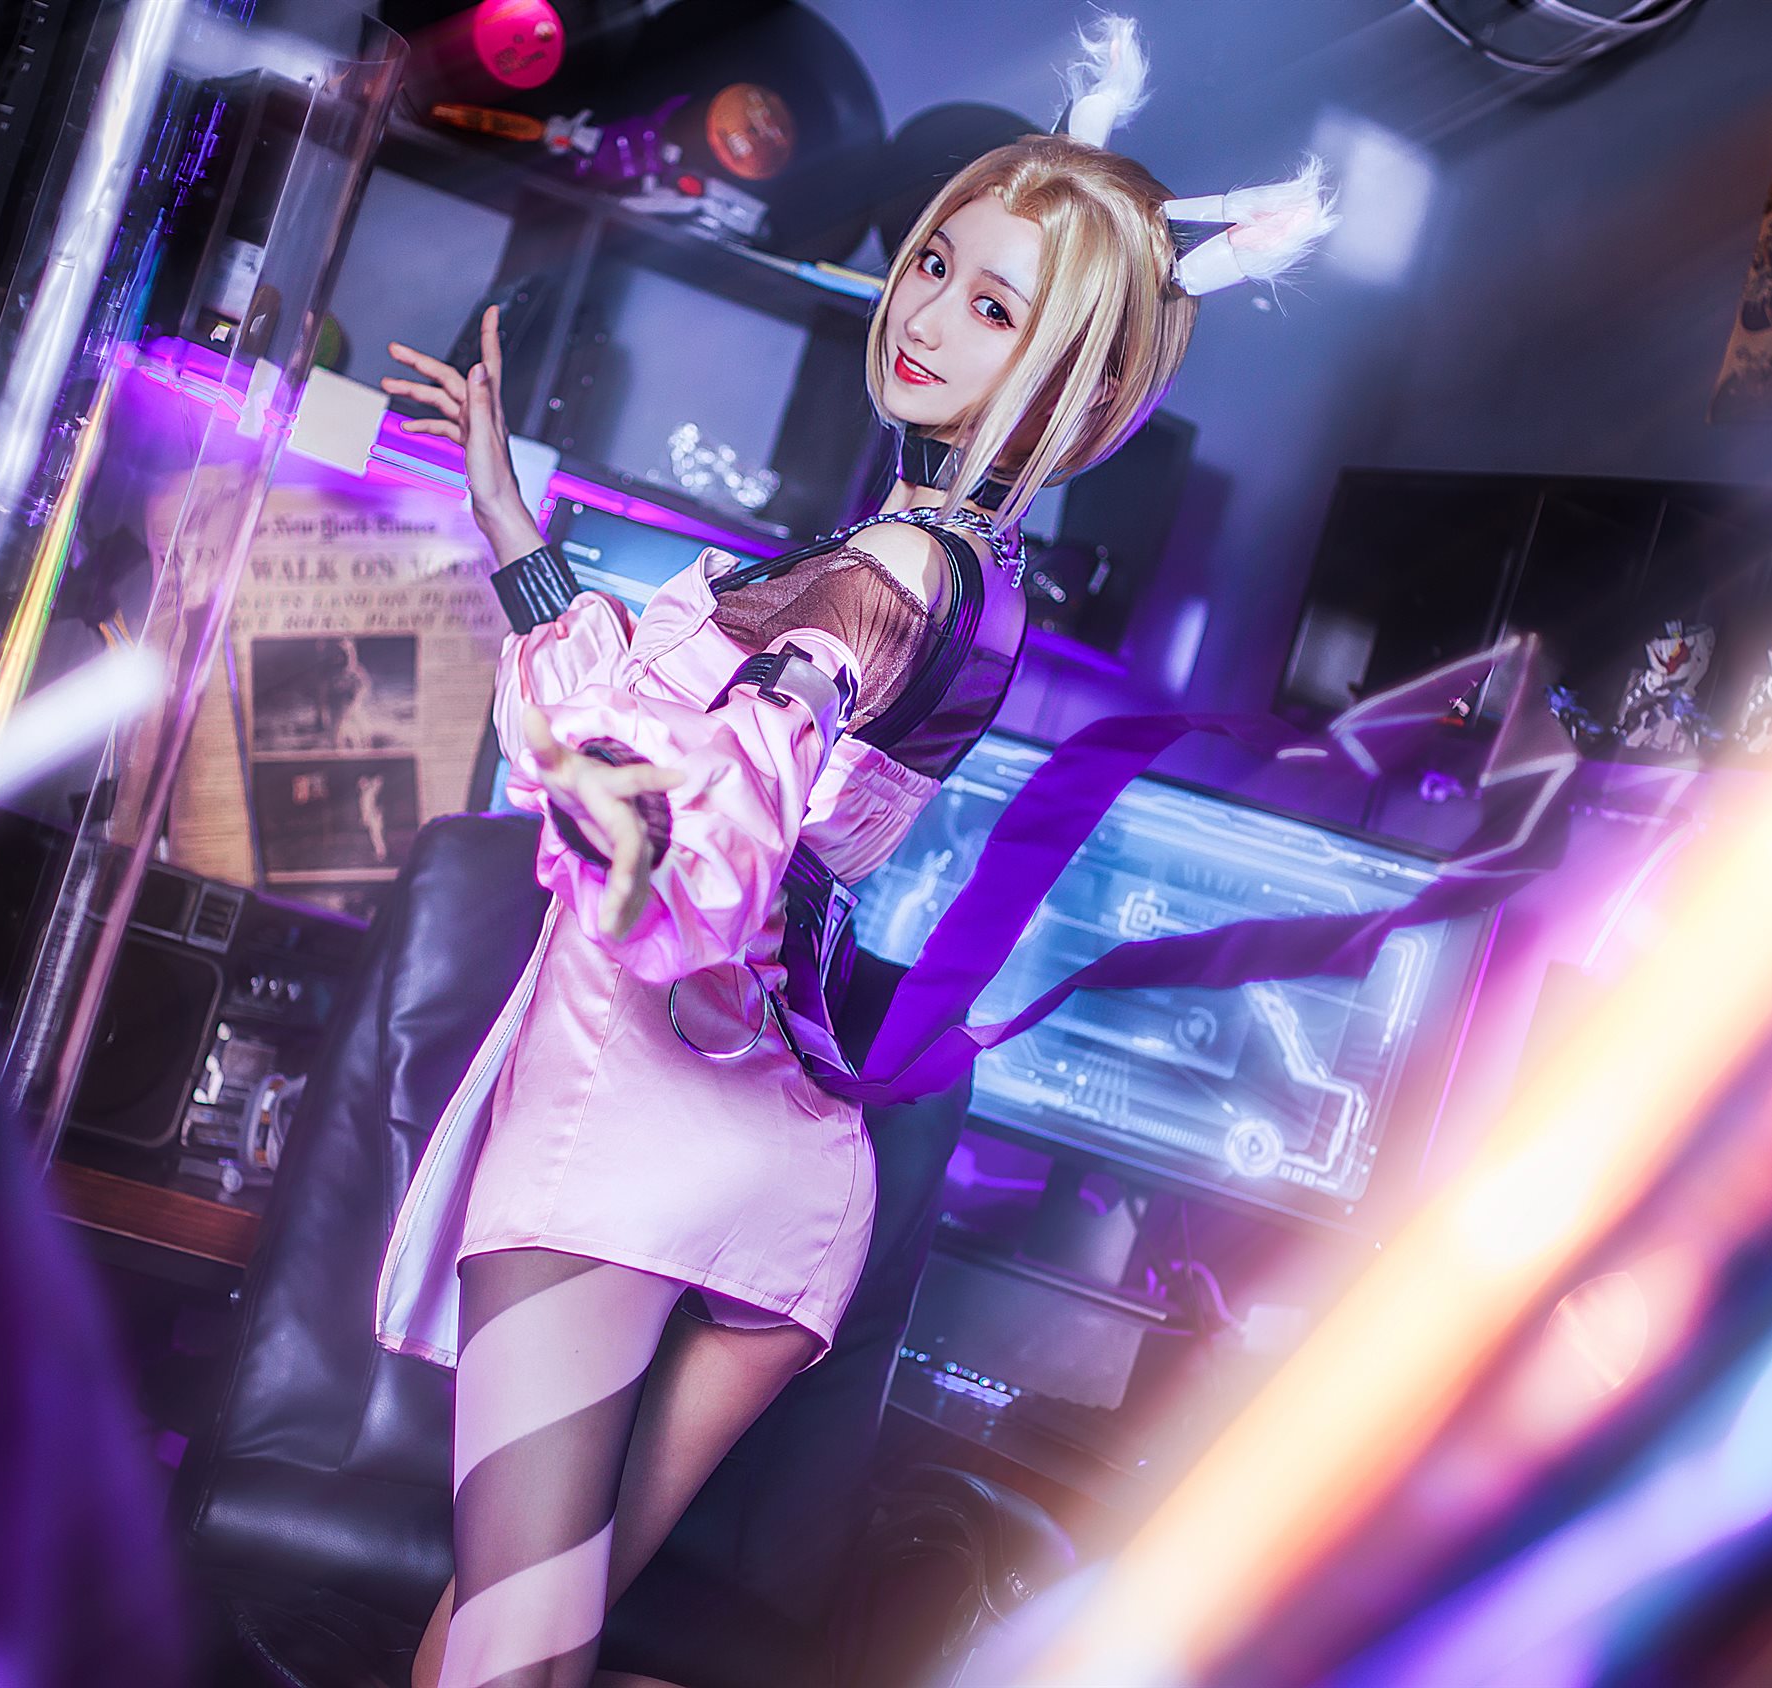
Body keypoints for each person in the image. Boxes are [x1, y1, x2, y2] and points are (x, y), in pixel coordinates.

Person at [370, 28, 1331, 1685]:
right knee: (502, 1638)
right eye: (938, 261)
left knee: (505, 1659)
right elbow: (715, 750)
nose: (927, 311)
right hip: (778, 1149)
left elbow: (729, 801)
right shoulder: (969, 566)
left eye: (996, 308)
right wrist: (519, 535)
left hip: (630, 1114)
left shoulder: (888, 569)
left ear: (1087, 390)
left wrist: (632, 812)